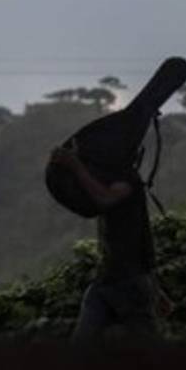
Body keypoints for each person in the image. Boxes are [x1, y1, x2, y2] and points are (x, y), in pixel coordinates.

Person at [49, 142, 174, 341]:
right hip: (105, 280)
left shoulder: (128, 181)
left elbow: (105, 199)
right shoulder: (110, 180)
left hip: (130, 284)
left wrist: (76, 165)